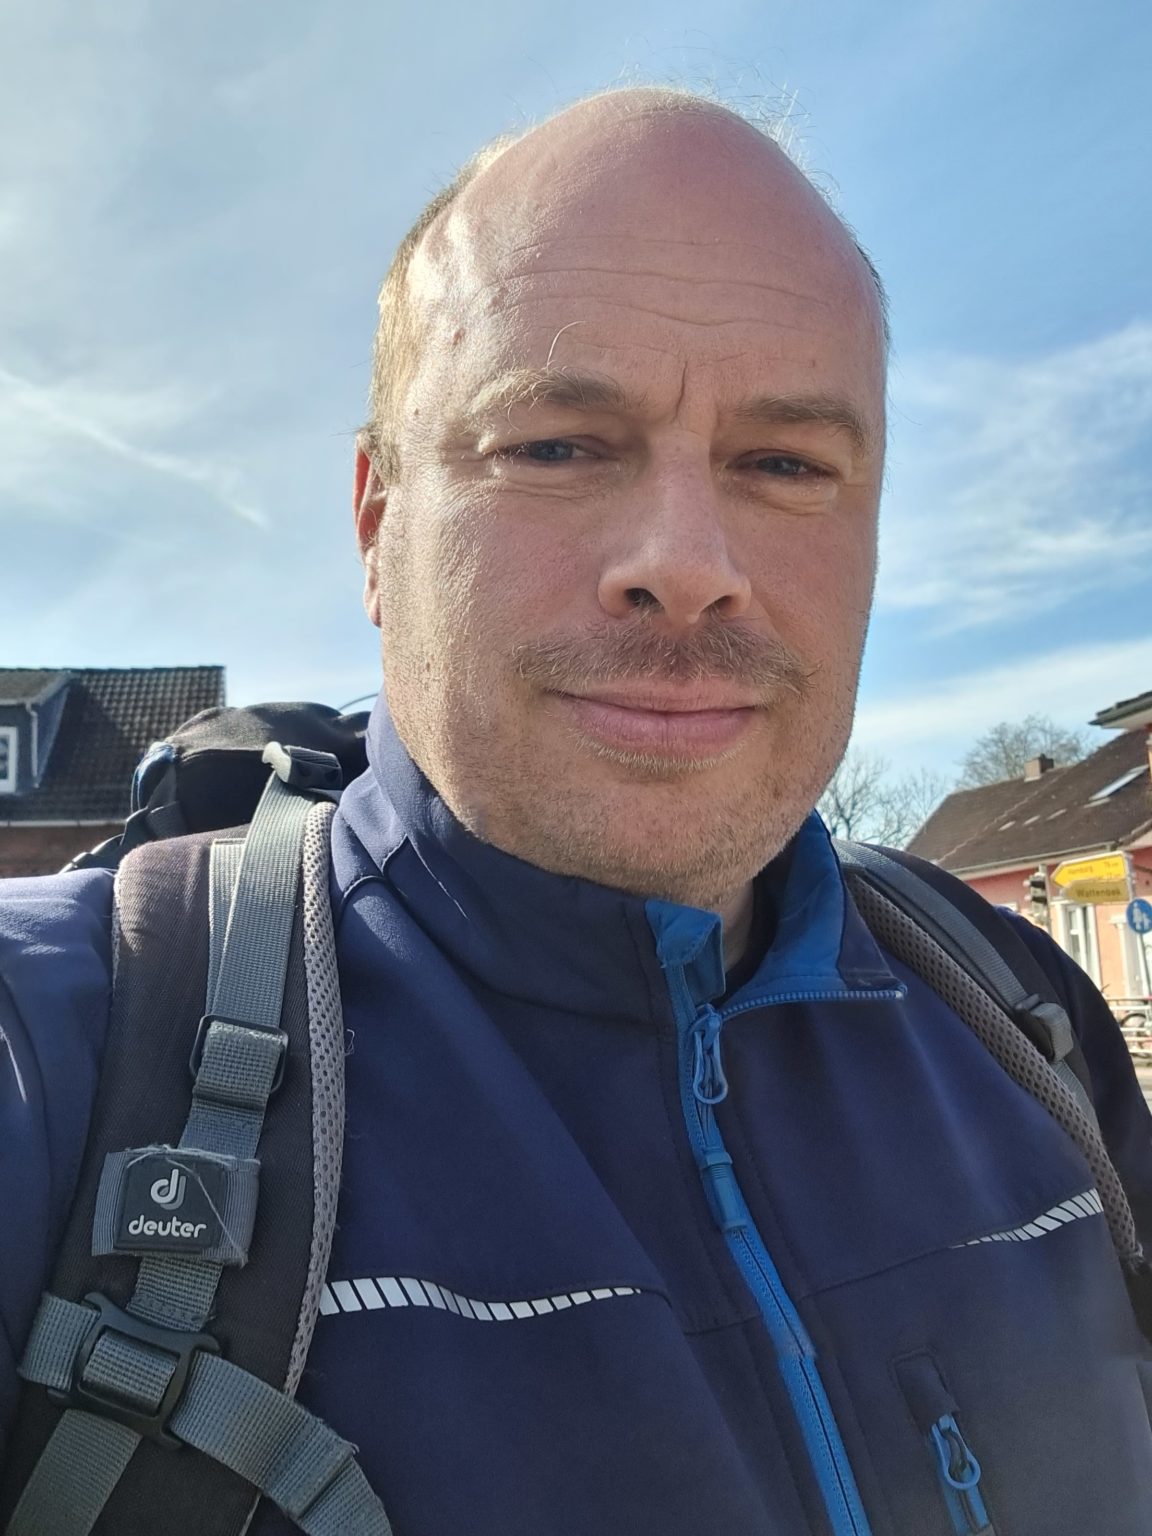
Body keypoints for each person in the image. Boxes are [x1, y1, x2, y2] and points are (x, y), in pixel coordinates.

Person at [3, 84, 1152, 1536]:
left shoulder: (1020, 1016)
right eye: (555, 444)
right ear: (378, 522)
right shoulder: (63, 1053)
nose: (688, 564)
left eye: (786, 464)